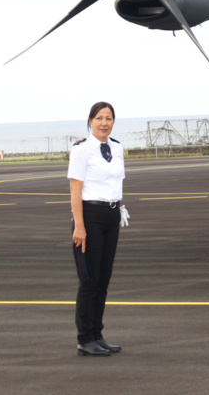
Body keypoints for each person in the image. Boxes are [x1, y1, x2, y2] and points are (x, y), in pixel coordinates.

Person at [68, 101, 126, 357]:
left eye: (109, 118)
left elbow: (116, 182)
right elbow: (75, 190)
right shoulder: (82, 150)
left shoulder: (117, 148)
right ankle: (84, 338)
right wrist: (79, 226)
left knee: (103, 281)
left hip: (112, 216)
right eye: (99, 118)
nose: (104, 123)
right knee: (89, 281)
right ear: (90, 121)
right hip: (89, 217)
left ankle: (97, 334)